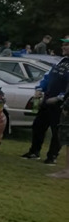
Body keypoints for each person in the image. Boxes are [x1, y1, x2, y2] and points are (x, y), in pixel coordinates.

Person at [21, 35, 69, 165]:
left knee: (56, 131)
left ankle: (52, 157)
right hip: (46, 100)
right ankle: (34, 152)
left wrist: (59, 98)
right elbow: (48, 76)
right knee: (38, 126)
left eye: (67, 45)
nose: (64, 47)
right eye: (64, 44)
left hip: (61, 104)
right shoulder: (62, 61)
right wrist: (39, 88)